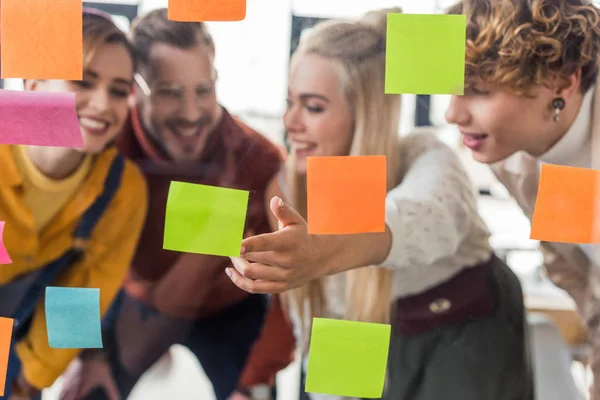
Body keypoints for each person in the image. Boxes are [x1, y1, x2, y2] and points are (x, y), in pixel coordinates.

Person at [225, 8, 530, 400]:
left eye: (313, 106)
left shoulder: (427, 158)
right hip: (376, 346)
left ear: (364, 114)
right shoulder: (289, 188)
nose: (290, 121)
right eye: (290, 102)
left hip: (465, 342)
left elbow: (420, 218)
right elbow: (334, 340)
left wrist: (323, 250)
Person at [59, 8, 295, 400]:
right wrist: (84, 354)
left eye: (204, 90)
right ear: (134, 88)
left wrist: (253, 379)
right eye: (169, 92)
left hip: (227, 313)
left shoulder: (258, 161)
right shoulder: (106, 145)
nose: (191, 114)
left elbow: (295, 285)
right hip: (127, 300)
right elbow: (69, 260)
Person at [441, 0, 600, 397]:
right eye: (451, 89)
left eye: (478, 90)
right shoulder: (512, 153)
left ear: (562, 82)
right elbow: (575, 266)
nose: (451, 113)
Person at [0, 8, 148, 400]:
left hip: (14, 331)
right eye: (83, 81)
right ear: (32, 83)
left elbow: (83, 294)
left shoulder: (122, 189)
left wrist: (28, 380)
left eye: (119, 91)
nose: (102, 104)